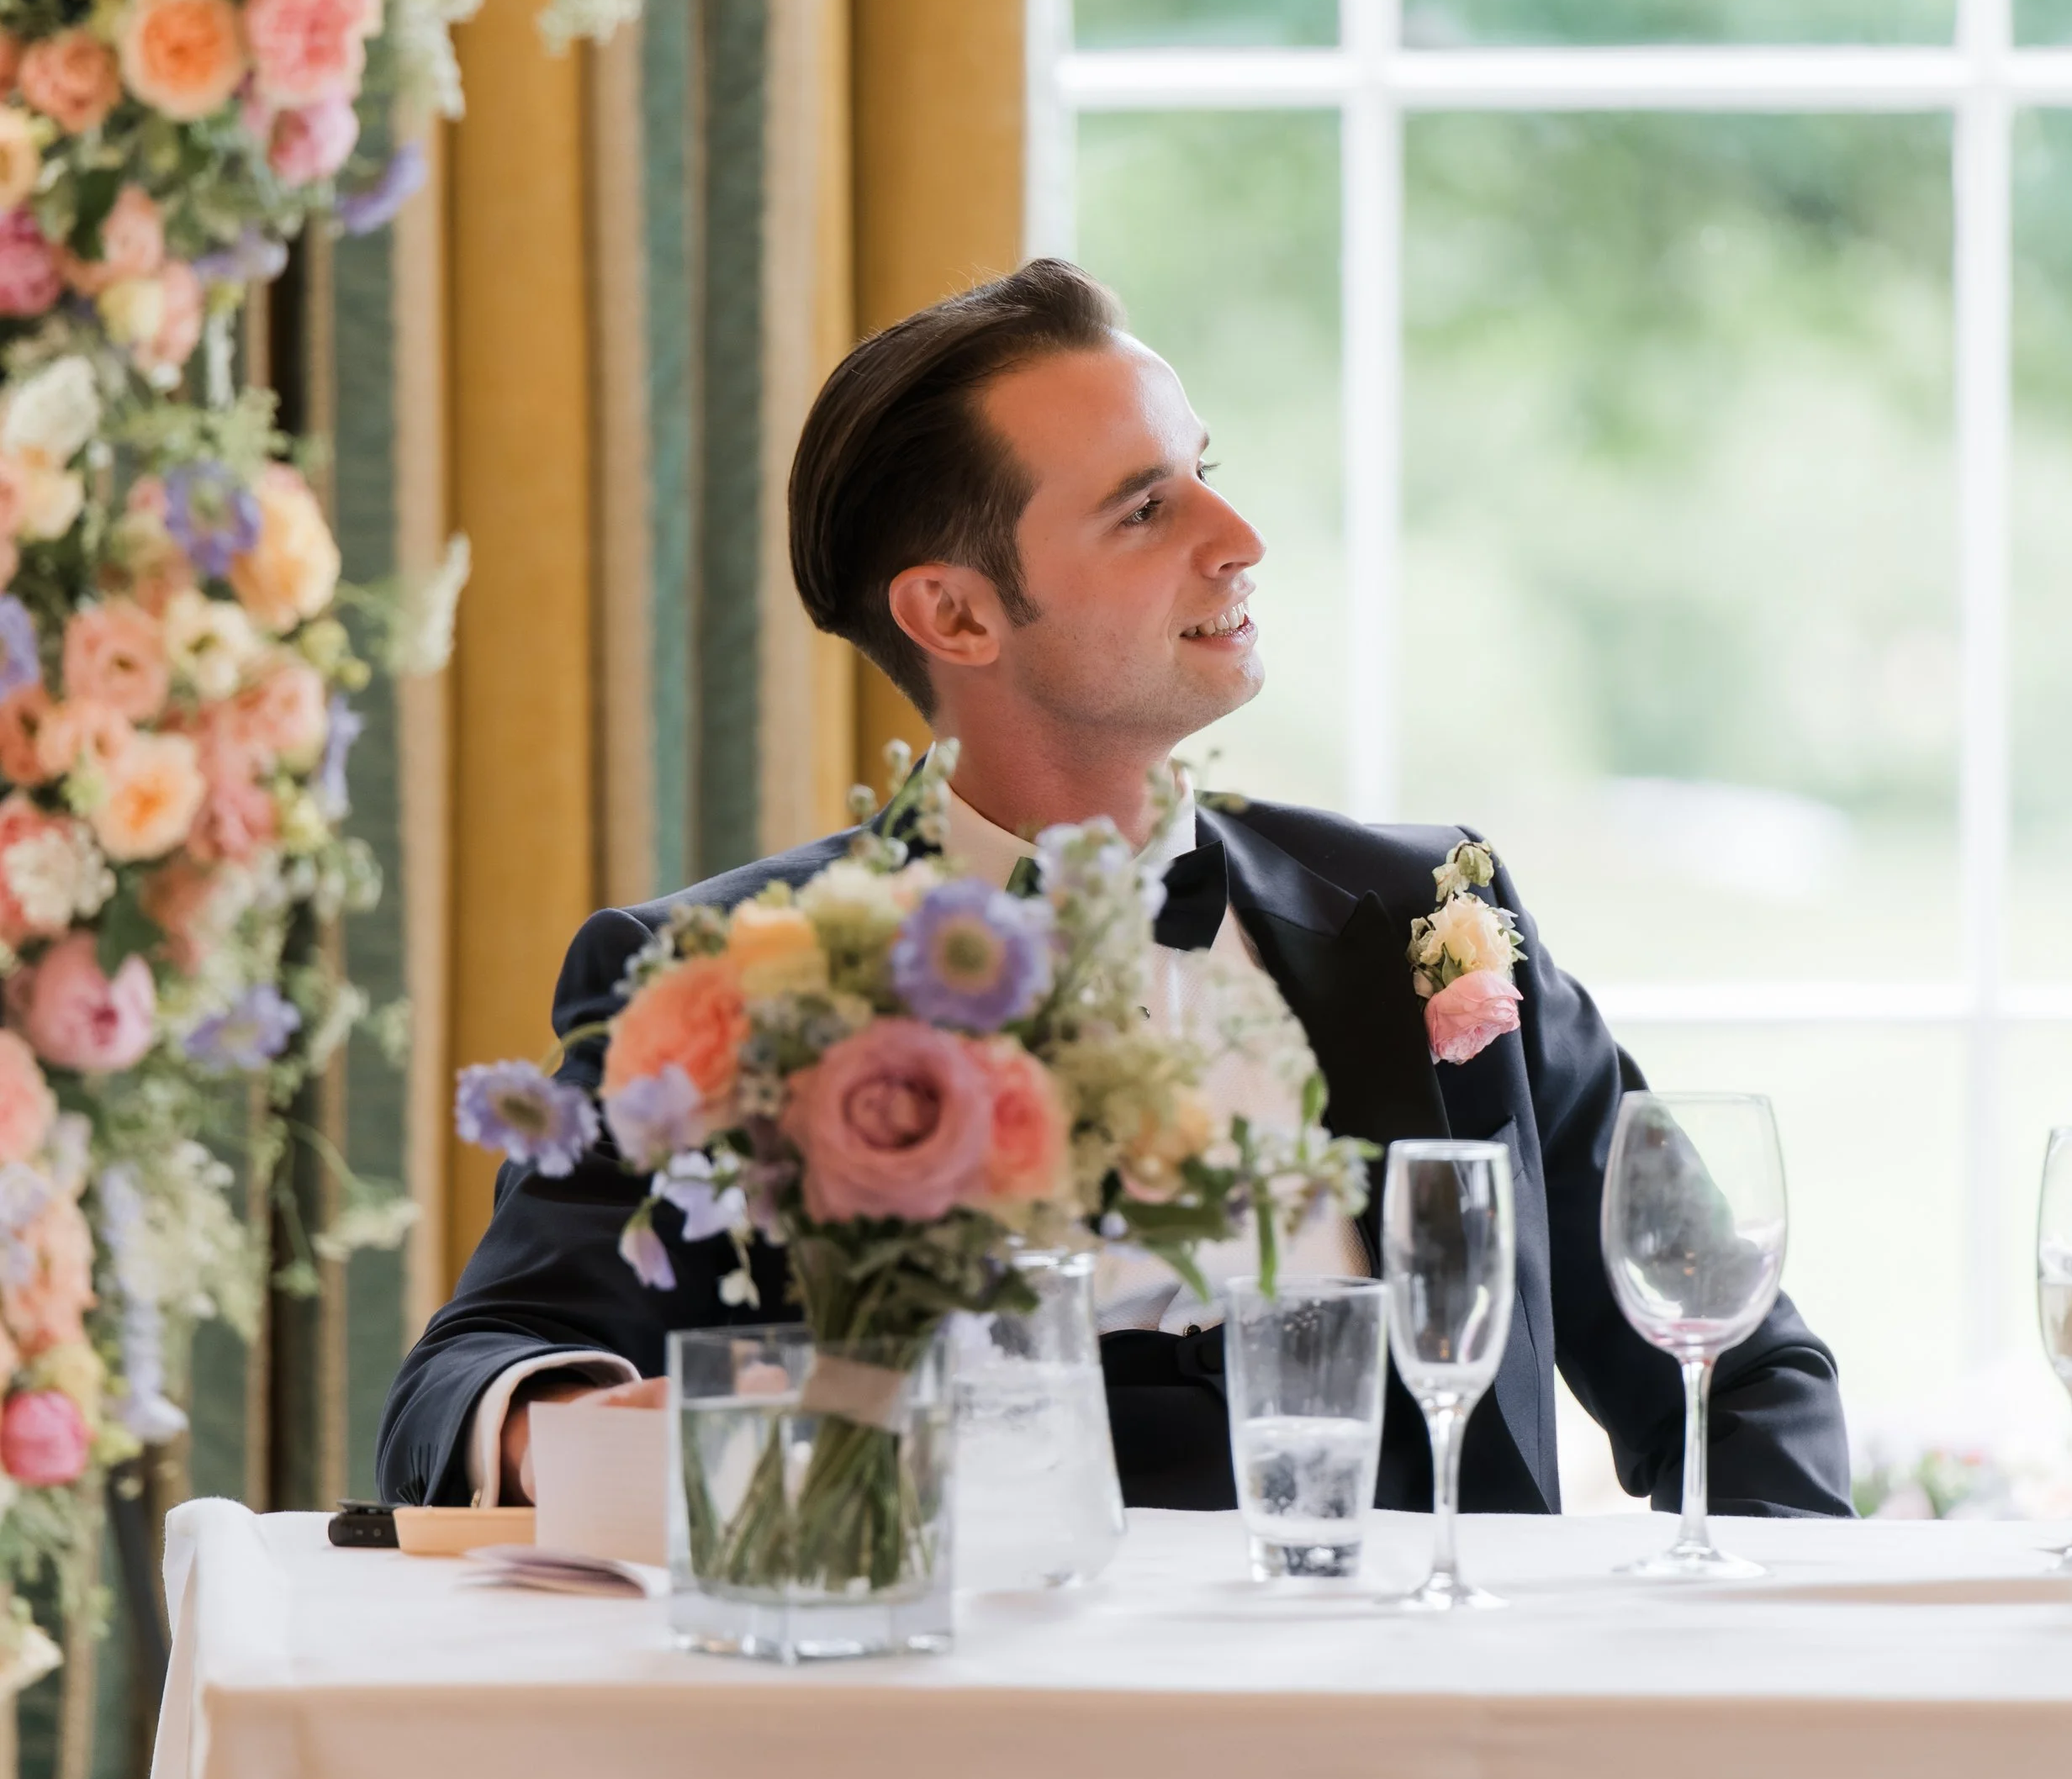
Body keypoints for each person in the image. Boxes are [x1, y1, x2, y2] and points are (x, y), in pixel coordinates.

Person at [376, 260, 1851, 1518]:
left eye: (1207, 471)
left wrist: (1758, 1693)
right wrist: (561, 1419)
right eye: (1147, 509)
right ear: (952, 612)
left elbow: (1735, 1358)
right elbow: (470, 1371)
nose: (1240, 539)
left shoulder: (1433, 923)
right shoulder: (716, 977)